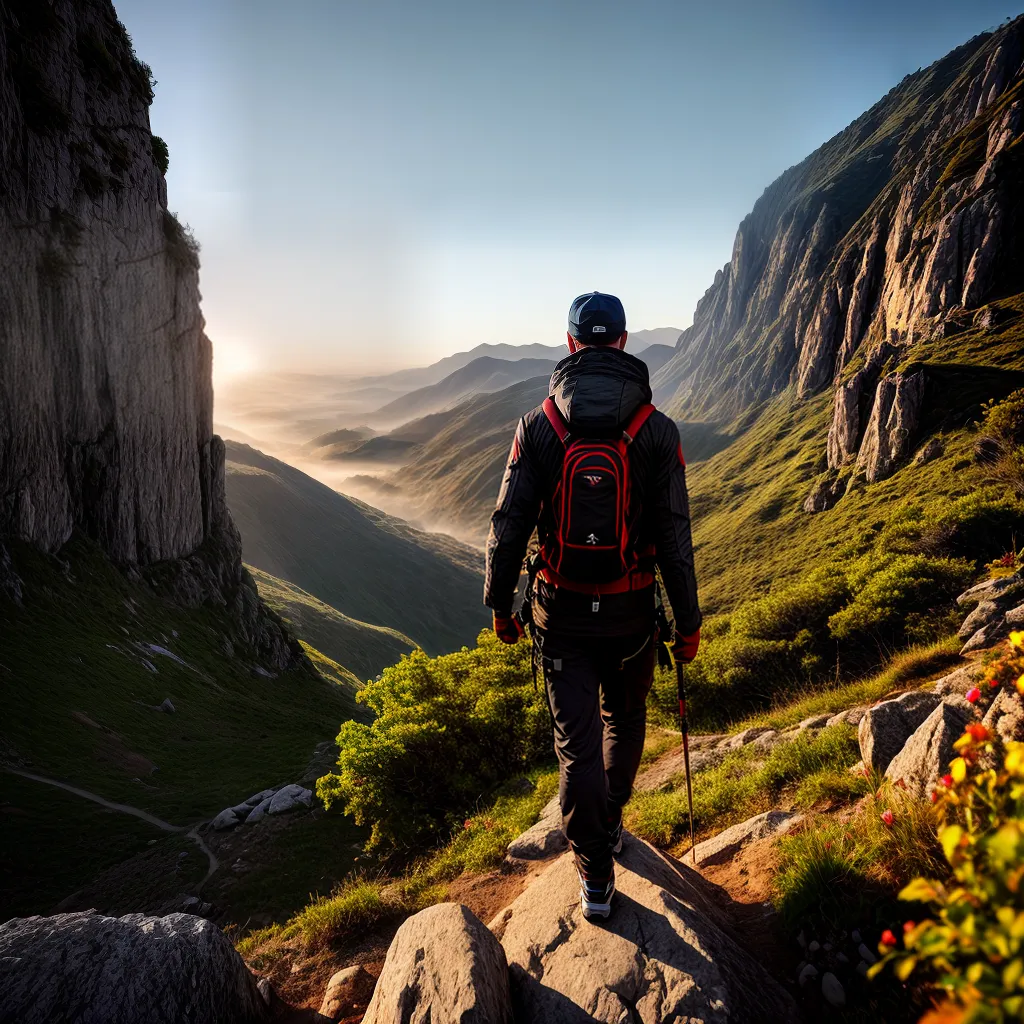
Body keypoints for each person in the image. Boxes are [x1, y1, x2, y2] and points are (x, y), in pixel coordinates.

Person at [484, 291, 702, 921]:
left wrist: (502, 605)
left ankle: (595, 874)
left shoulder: (539, 425)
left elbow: (508, 525)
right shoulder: (658, 432)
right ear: (625, 342)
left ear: (572, 343)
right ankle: (611, 824)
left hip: (560, 611)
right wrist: (687, 623)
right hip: (633, 613)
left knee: (576, 744)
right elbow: (675, 538)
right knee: (623, 720)